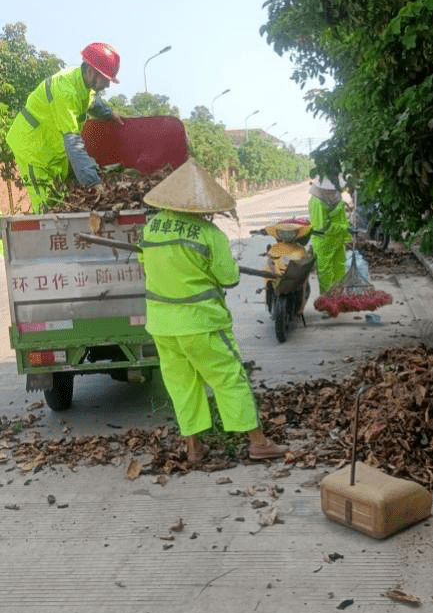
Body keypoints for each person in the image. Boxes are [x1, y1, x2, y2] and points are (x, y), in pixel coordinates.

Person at [140, 158, 288, 466]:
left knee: (182, 386)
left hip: (162, 326)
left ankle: (194, 448)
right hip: (202, 324)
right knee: (230, 378)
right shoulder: (210, 234)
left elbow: (148, 265)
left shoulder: (152, 228)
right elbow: (229, 279)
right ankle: (257, 442)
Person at [5, 42, 124, 212]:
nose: (108, 85)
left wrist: (110, 114)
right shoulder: (65, 91)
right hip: (33, 150)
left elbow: (92, 102)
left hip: (52, 149)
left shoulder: (83, 83)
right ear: (91, 71)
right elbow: (73, 143)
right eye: (105, 79)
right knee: (47, 209)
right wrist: (93, 183)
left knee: (63, 202)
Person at [308, 176, 352, 294]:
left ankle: (338, 299)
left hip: (337, 240)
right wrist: (344, 228)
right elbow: (322, 227)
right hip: (324, 242)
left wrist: (346, 229)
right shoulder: (317, 201)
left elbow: (340, 216)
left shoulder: (335, 196)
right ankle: (328, 303)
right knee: (326, 273)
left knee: (339, 269)